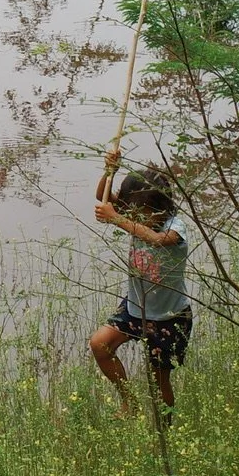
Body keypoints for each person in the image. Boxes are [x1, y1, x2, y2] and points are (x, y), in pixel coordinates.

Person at [89, 145, 193, 422]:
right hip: (135, 307)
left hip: (169, 317)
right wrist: (110, 170)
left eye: (143, 213)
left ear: (162, 207)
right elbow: (103, 196)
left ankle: (166, 427)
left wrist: (117, 218)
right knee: (100, 344)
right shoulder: (133, 216)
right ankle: (129, 403)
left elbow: (159, 240)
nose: (137, 217)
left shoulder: (176, 226)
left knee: (160, 381)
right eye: (133, 211)